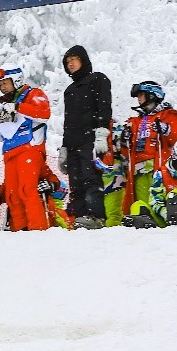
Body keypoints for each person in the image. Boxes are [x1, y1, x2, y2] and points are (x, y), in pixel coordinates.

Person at [0, 67, 52, 231]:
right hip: (10, 152)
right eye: (0, 85)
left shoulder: (33, 94)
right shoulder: (2, 104)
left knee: (27, 190)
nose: (2, 87)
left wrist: (17, 107)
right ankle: (20, 231)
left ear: (16, 80)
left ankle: (37, 230)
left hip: (29, 149)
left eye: (5, 83)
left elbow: (43, 113)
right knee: (12, 195)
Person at [60, 45, 112, 229]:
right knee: (75, 183)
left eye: (73, 59)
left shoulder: (97, 79)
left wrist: (102, 132)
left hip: (90, 138)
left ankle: (96, 217)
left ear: (83, 59)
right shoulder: (69, 90)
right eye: (67, 62)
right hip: (73, 142)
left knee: (91, 179)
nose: (70, 64)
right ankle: (80, 218)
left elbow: (104, 107)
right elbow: (68, 121)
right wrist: (64, 147)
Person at [118, 81, 177, 214]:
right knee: (143, 203)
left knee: (160, 199)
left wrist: (166, 130)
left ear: (151, 95)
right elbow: (126, 153)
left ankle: (169, 218)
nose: (138, 99)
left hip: (161, 169)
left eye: (141, 95)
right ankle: (145, 221)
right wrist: (124, 141)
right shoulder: (135, 121)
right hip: (139, 172)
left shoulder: (168, 115)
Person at [124, 138, 177, 227]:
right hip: (166, 219)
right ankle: (144, 224)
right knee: (138, 205)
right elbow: (154, 200)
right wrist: (166, 214)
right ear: (175, 160)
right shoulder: (161, 175)